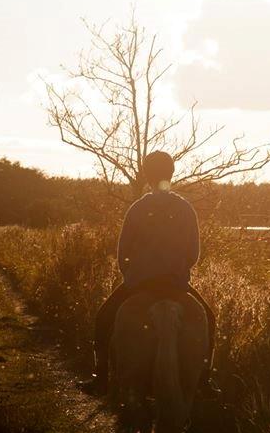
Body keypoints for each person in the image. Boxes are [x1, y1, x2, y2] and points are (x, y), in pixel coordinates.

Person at [80, 150, 219, 397]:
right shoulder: (186, 209)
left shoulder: (137, 209)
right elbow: (193, 254)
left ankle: (100, 378)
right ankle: (204, 380)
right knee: (209, 320)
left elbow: (123, 253)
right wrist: (176, 271)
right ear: (172, 173)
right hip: (176, 286)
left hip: (140, 284)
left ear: (146, 175)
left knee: (102, 320)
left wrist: (132, 277)